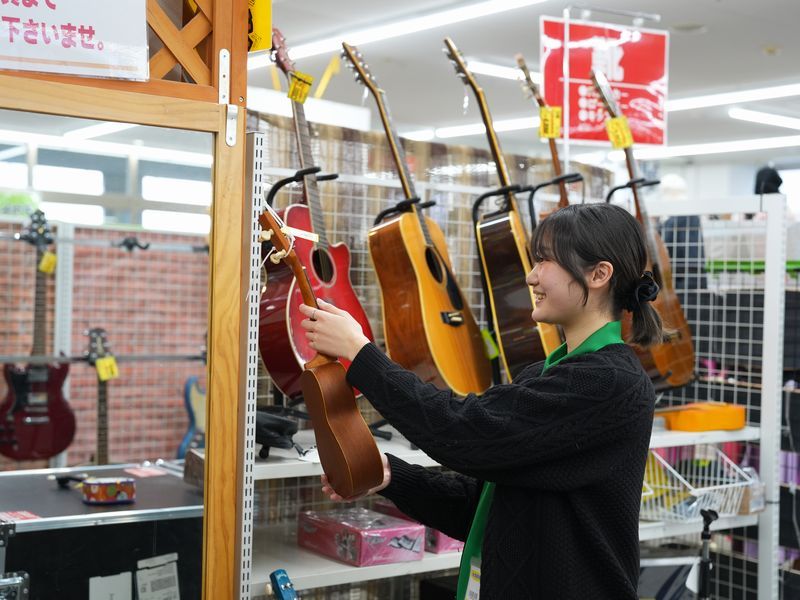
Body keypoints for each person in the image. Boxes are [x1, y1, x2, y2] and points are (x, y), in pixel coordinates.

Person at [299, 203, 660, 599]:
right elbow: (485, 506)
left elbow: (462, 430)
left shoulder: (610, 383)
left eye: (545, 261)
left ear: (599, 274)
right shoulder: (544, 376)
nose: (531, 276)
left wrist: (360, 353)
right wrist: (389, 475)